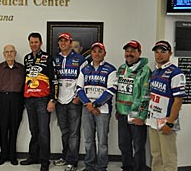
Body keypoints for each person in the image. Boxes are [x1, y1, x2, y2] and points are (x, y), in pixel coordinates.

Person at [20, 32, 58, 171]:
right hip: (29, 100)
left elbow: (54, 79)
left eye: (36, 42)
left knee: (43, 132)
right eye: (31, 42)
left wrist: (52, 99)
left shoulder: (48, 58)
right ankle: (33, 157)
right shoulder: (27, 58)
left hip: (43, 100)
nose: (34, 44)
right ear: (29, 43)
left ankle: (44, 162)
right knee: (33, 130)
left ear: (41, 43)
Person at [146, 40, 186, 171]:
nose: (159, 55)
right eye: (156, 52)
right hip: (153, 120)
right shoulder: (155, 72)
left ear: (170, 53)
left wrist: (170, 123)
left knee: (168, 159)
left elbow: (178, 100)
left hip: (166, 121)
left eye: (163, 52)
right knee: (156, 156)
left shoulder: (176, 73)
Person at [77, 42, 117, 171]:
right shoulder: (85, 69)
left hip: (103, 110)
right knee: (88, 140)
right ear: (91, 53)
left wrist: (95, 105)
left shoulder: (111, 69)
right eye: (94, 51)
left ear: (104, 53)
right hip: (87, 108)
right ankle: (89, 166)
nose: (97, 54)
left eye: (100, 51)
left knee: (102, 142)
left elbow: (111, 90)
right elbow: (79, 89)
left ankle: (101, 167)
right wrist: (89, 105)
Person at [53, 33, 87, 171]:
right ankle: (65, 156)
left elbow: (85, 79)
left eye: (65, 41)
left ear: (70, 43)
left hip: (73, 101)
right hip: (59, 101)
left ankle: (72, 161)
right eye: (60, 41)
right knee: (64, 131)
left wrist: (78, 97)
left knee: (74, 133)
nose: (63, 43)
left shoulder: (80, 59)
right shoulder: (54, 59)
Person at [116, 40, 151, 171]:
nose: (129, 54)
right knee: (124, 145)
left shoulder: (145, 70)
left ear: (139, 53)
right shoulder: (121, 68)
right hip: (122, 114)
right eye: (127, 51)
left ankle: (139, 168)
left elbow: (146, 95)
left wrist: (142, 116)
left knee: (138, 146)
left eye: (133, 51)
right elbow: (119, 91)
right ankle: (127, 167)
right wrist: (117, 109)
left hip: (137, 115)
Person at [0, 44, 25, 166]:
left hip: (17, 100)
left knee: (14, 129)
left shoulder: (21, 69)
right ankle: (3, 155)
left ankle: (13, 155)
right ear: (4, 54)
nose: (9, 54)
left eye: (11, 51)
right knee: (3, 129)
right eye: (7, 52)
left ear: (15, 53)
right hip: (2, 100)